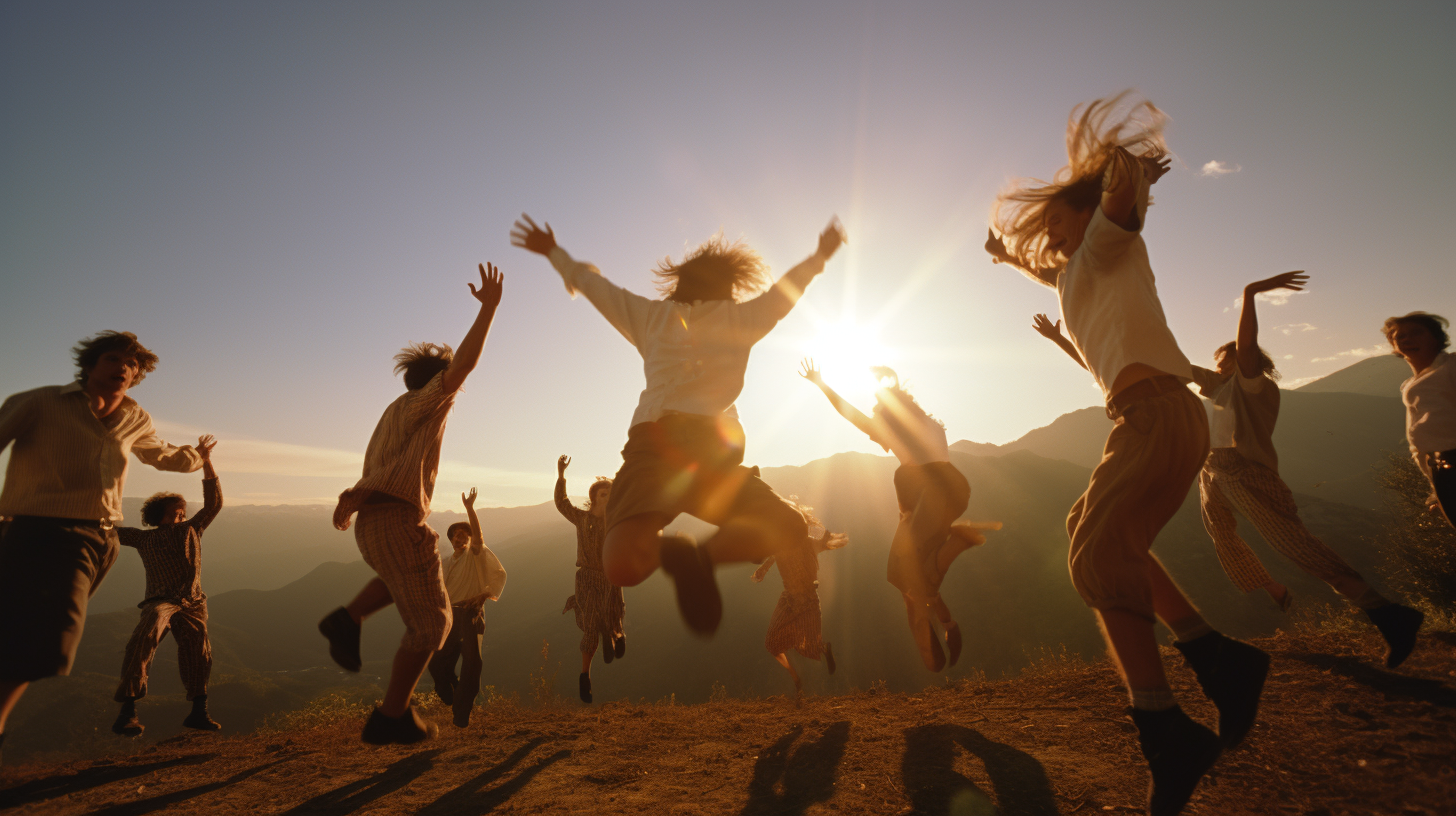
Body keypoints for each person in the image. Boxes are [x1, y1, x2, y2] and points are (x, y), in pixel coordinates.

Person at [988, 93, 1267, 816]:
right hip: (1148, 417)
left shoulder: (1111, 244)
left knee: (1095, 560)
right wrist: (1005, 259)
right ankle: (1219, 661)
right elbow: (1054, 274)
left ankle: (1167, 727)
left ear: (1086, 216)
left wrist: (1125, 169)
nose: (1047, 236)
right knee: (1102, 536)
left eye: (1057, 220)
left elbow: (1121, 210)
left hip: (1157, 416)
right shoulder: (1079, 271)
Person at [1036, 274, 1424, 668]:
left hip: (1246, 474)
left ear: (1241, 364)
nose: (1217, 367)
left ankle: (1387, 613)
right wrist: (1062, 341)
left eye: (1224, 361)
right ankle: (1272, 588)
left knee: (1296, 546)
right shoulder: (1219, 387)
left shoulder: (1253, 386)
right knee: (1223, 536)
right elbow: (1120, 367)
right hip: (1213, 471)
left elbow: (1248, 347)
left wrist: (1250, 295)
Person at [511, 214, 844, 636]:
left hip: (655, 444)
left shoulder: (653, 317)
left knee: (619, 566)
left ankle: (687, 558)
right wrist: (820, 255)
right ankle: (698, 558)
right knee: (787, 527)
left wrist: (553, 252)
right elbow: (786, 292)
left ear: (680, 285)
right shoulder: (740, 318)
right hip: (711, 452)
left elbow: (596, 288)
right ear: (727, 289)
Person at [317, 262, 503, 745]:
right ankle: (391, 716)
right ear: (437, 382)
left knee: (401, 578)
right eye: (449, 384)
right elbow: (463, 366)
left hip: (373, 522)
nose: (456, 392)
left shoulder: (393, 411)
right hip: (397, 517)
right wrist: (488, 311)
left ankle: (348, 617)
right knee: (434, 624)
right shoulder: (426, 402)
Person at [0, 331, 203, 762]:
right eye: (114, 359)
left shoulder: (135, 417)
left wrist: (200, 458)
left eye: (133, 366)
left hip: (101, 539)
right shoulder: (41, 402)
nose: (124, 369)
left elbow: (163, 455)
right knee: (50, 641)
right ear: (91, 364)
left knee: (25, 637)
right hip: (41, 531)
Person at [798, 360, 993, 672]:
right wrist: (889, 382)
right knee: (903, 575)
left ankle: (958, 544)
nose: (873, 413)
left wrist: (822, 384)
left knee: (906, 573)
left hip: (933, 495)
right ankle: (946, 624)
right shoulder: (925, 422)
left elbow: (851, 414)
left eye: (877, 408)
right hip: (951, 491)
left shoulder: (891, 426)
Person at [112, 434, 226, 737]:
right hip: (160, 600)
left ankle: (198, 711)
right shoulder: (143, 537)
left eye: (183, 512)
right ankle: (128, 710)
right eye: (175, 512)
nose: (181, 515)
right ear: (158, 516)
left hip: (192, 602)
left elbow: (215, 503)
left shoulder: (192, 530)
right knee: (145, 637)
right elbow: (108, 530)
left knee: (199, 650)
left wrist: (206, 461)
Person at [427, 487, 506, 728]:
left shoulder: (475, 554)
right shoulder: (446, 562)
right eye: (455, 535)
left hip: (471, 615)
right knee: (437, 663)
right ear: (450, 540)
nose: (459, 538)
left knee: (472, 663)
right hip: (450, 616)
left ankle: (462, 711)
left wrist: (470, 508)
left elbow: (479, 539)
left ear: (470, 539)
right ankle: (450, 693)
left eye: (464, 535)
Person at [750, 502, 846, 698]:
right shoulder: (780, 541)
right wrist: (762, 570)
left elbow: (824, 533)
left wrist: (803, 525)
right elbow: (773, 555)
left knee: (810, 647)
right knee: (771, 644)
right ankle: (796, 679)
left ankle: (823, 648)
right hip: (789, 600)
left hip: (809, 601)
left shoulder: (809, 539)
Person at [554, 455, 624, 704]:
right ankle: (585, 677)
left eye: (611, 495)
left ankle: (615, 634)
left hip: (610, 575)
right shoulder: (582, 519)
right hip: (586, 577)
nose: (608, 499)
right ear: (594, 498)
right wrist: (561, 475)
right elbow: (562, 503)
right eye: (604, 494)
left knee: (613, 613)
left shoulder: (618, 521)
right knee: (591, 624)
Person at [1383, 312, 1456, 528]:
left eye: (1416, 332)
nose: (1407, 339)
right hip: (1442, 471)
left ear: (1435, 338)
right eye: (1399, 337)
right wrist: (1436, 491)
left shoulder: (1451, 367)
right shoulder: (1409, 385)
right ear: (1394, 346)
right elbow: (1419, 444)